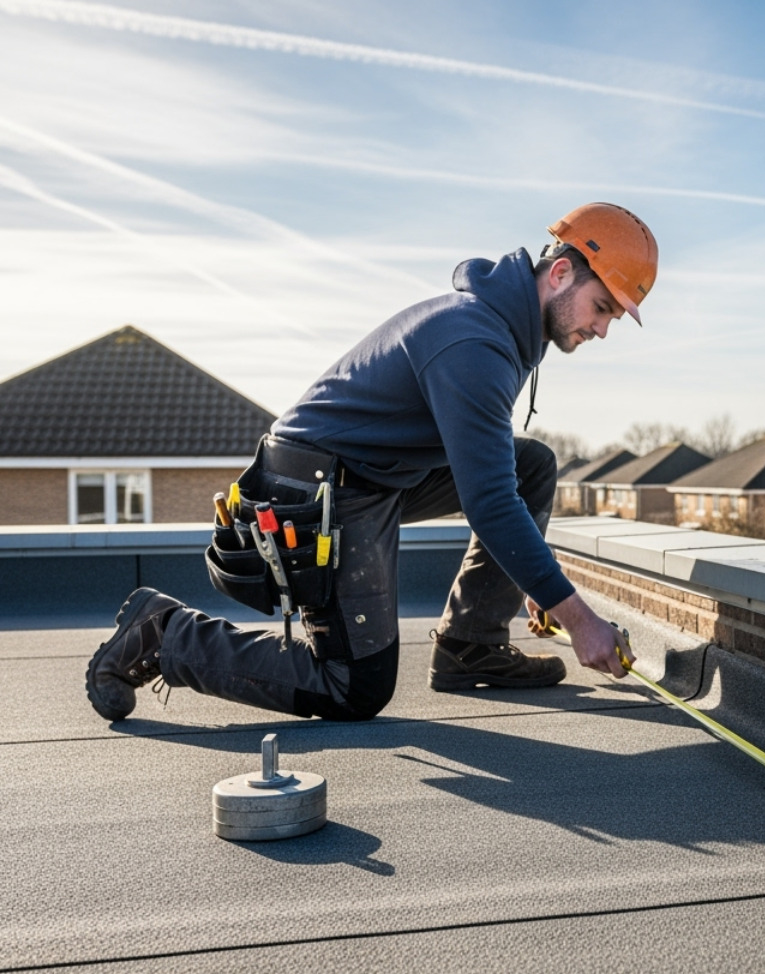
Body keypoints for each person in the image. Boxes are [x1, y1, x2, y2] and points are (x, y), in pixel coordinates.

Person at [84, 203, 656, 722]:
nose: (602, 329)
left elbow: (494, 476)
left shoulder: (499, 332)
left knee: (529, 464)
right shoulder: (474, 342)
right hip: (319, 489)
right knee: (353, 688)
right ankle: (163, 633)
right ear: (561, 274)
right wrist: (577, 617)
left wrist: (531, 577)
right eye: (601, 307)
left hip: (375, 475)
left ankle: (472, 645)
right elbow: (490, 503)